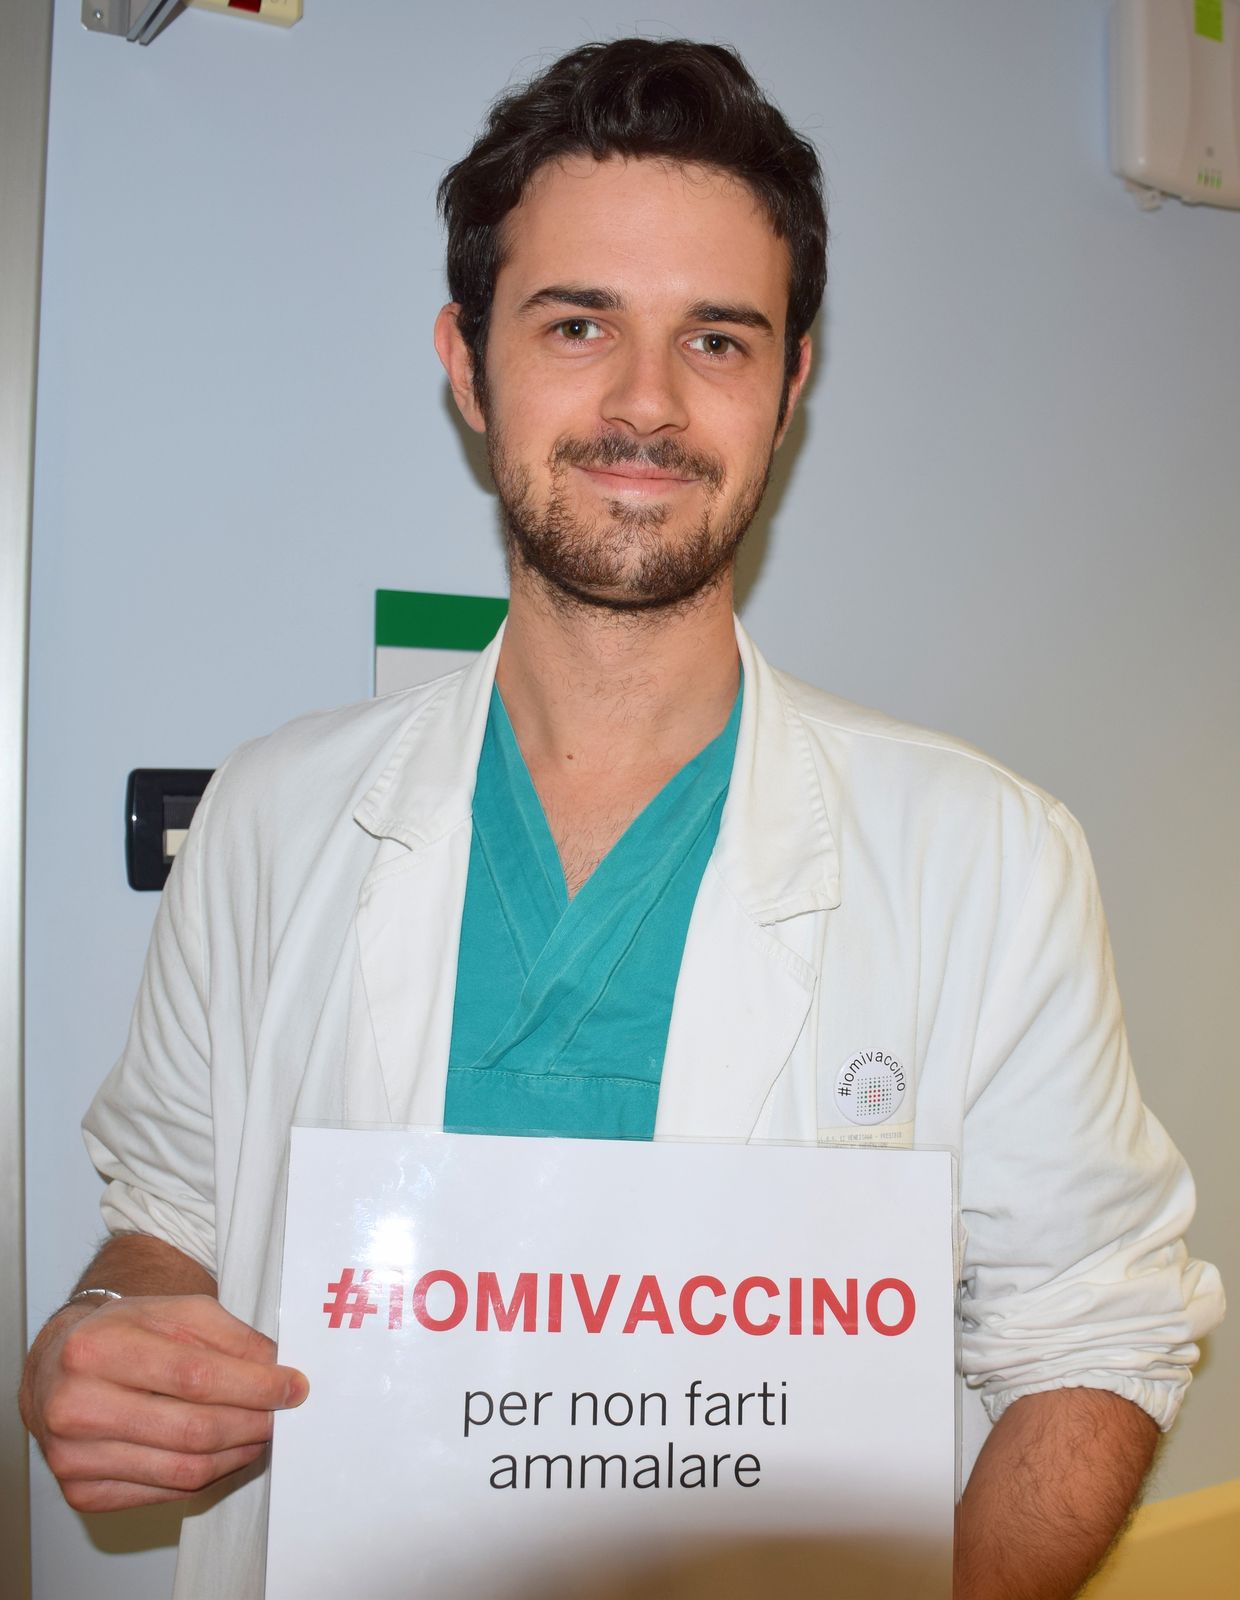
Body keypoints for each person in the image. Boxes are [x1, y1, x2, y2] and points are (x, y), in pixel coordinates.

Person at [21, 37, 1223, 1600]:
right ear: (469, 364)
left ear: (789, 387)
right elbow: (168, 1213)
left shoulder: (986, 860)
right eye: (578, 324)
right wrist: (110, 1336)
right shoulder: (271, 818)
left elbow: (1100, 1332)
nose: (646, 403)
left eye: (717, 339)